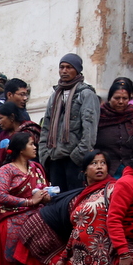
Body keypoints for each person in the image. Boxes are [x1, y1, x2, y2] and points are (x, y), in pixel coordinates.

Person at [0, 131, 64, 265]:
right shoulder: (6, 171)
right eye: (31, 144)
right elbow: (1, 197)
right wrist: (29, 201)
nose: (35, 147)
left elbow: (45, 189)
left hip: (35, 225)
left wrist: (46, 197)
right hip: (11, 224)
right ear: (20, 148)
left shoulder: (38, 168)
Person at [40, 53, 99, 191]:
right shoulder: (55, 95)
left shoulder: (86, 94)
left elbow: (89, 130)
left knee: (74, 199)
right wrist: (45, 154)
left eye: (69, 67)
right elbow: (46, 127)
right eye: (61, 67)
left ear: (77, 70)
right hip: (54, 158)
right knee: (57, 201)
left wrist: (77, 156)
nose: (64, 71)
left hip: (74, 160)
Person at [96, 79, 133, 174]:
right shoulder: (99, 117)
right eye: (117, 98)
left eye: (125, 98)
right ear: (110, 98)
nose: (121, 102)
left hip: (131, 169)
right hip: (105, 170)